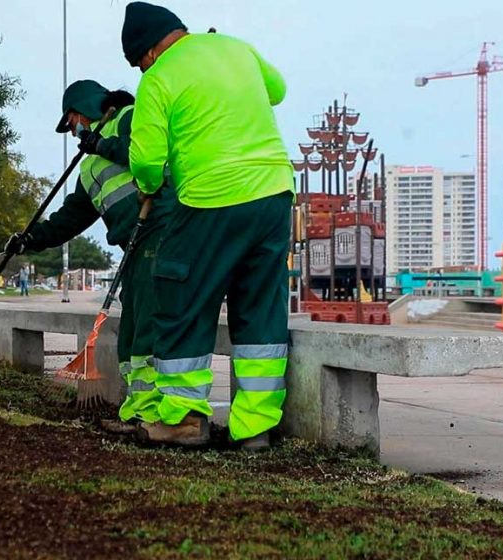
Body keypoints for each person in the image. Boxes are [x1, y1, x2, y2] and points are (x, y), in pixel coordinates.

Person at [122, 2, 294, 448]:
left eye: (139, 63)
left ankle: (183, 418)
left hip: (207, 199)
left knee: (182, 299)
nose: (142, 71)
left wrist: (149, 183)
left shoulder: (158, 79)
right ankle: (256, 426)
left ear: (149, 54)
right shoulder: (235, 47)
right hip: (273, 193)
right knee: (259, 307)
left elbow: (145, 159)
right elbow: (277, 90)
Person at [4, 79, 176, 428]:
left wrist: (102, 144)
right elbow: (70, 218)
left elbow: (146, 154)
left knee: (147, 323)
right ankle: (138, 407)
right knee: (131, 326)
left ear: (83, 110)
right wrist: (30, 239)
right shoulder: (88, 166)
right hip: (133, 243)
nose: (72, 131)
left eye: (71, 123)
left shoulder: (130, 116)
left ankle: (153, 412)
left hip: (160, 229)